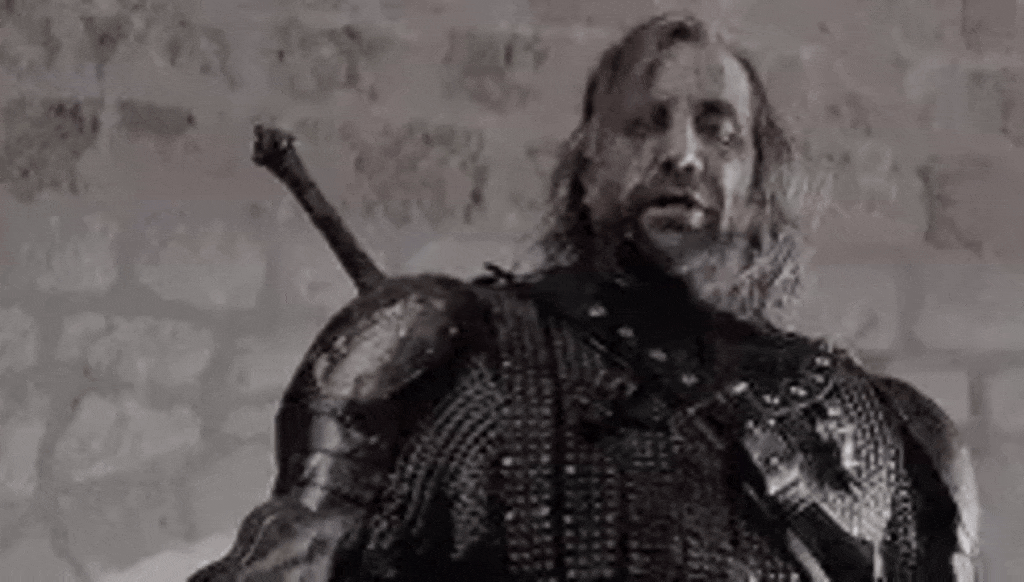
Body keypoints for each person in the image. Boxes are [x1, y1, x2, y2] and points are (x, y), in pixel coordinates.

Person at [189, 12, 980, 581]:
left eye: (717, 128)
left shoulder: (893, 435)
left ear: (760, 175)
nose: (682, 154)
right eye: (645, 124)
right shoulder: (439, 349)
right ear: (589, 163)